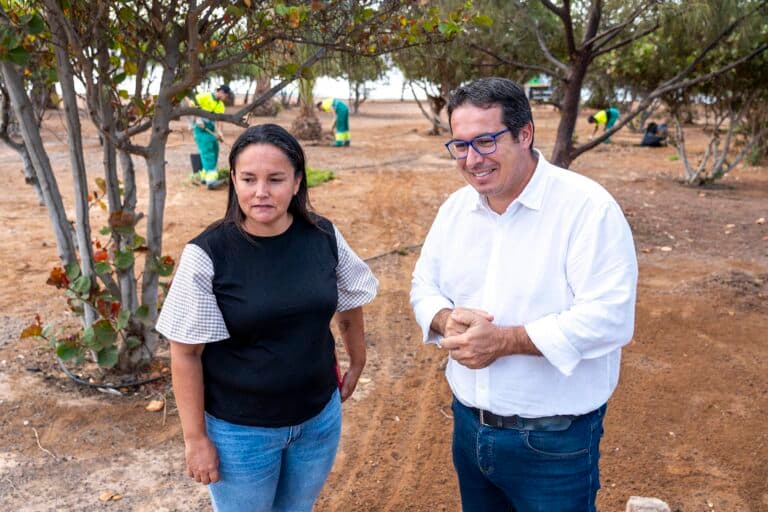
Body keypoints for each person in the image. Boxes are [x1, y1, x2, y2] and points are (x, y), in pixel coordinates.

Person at [410, 77, 638, 512]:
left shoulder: (588, 210)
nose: (472, 159)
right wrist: (444, 318)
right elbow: (424, 285)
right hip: (469, 428)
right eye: (460, 145)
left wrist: (505, 340)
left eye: (485, 141)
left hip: (555, 444)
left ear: (525, 134)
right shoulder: (455, 210)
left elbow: (609, 317)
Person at [156, 123, 378, 511]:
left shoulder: (323, 236)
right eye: (248, 179)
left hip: (318, 421)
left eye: (275, 179)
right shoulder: (208, 253)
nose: (261, 192)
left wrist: (358, 360)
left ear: (296, 182)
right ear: (233, 181)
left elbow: (349, 299)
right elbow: (185, 353)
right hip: (241, 434)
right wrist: (196, 439)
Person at [191, 84, 234, 189]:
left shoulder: (220, 105)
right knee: (208, 152)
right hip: (200, 129)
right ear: (221, 92)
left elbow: (219, 120)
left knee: (215, 150)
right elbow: (192, 105)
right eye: (226, 96)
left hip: (210, 129)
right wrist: (198, 119)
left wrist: (219, 132)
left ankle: (205, 177)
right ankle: (211, 180)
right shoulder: (204, 96)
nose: (226, 99)